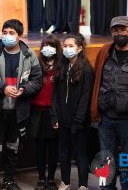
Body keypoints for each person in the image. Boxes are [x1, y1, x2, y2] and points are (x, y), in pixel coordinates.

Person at [0, 19, 42, 190]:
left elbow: (36, 81)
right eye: (5, 32)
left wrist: (24, 89)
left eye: (11, 33)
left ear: (20, 36)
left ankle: (9, 180)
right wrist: (3, 88)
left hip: (18, 111)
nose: (7, 36)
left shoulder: (29, 55)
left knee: (14, 148)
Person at [90, 16, 128, 190]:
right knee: (105, 160)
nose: (119, 33)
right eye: (115, 30)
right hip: (105, 119)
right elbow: (97, 80)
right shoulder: (105, 50)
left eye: (123, 29)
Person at [52, 34, 94, 190]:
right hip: (63, 119)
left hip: (79, 122)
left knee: (81, 154)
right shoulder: (62, 67)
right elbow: (56, 94)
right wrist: (54, 115)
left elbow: (85, 97)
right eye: (65, 46)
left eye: (71, 46)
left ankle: (83, 185)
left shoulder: (86, 70)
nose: (67, 49)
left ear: (79, 48)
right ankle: (65, 182)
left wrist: (78, 120)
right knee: (64, 153)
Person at [29, 34, 61, 190]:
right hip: (37, 112)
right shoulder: (36, 64)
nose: (48, 48)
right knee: (40, 148)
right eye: (45, 45)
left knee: (53, 148)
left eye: (51, 45)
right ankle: (41, 178)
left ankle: (51, 179)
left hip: (53, 112)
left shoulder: (61, 67)